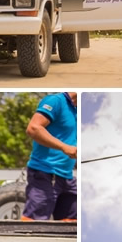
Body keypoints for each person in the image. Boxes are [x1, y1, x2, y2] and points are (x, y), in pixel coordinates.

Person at [24, 92, 77, 221]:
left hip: (66, 176)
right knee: (34, 224)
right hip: (45, 172)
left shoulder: (78, 110)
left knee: (72, 223)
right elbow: (33, 128)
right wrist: (64, 147)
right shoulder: (56, 101)